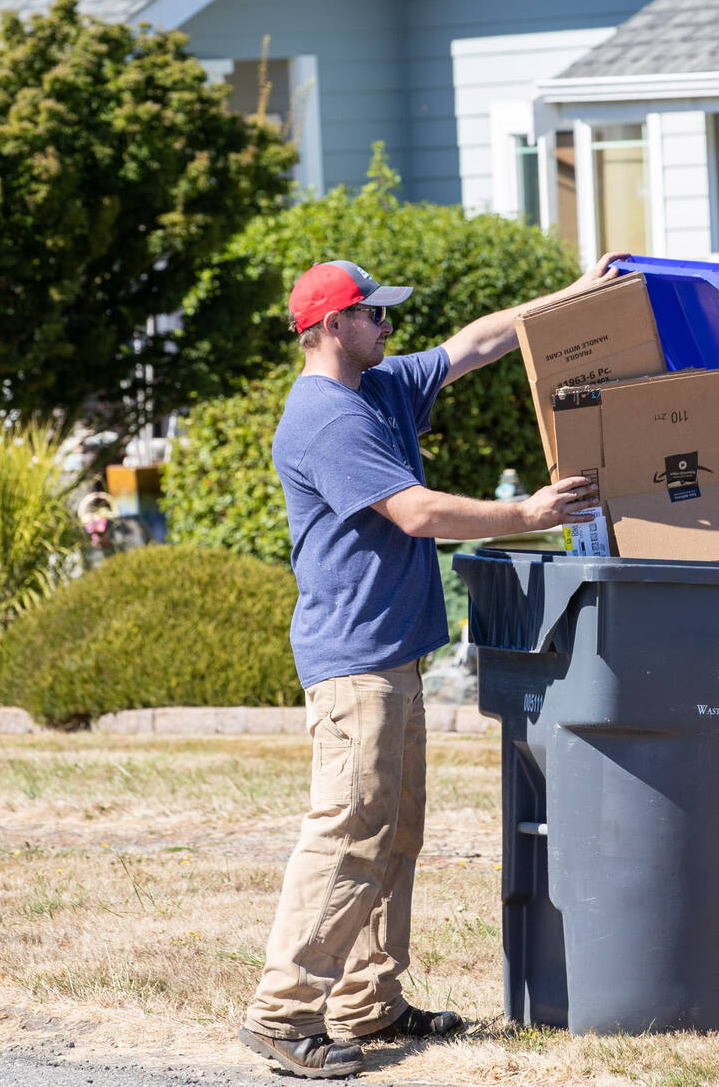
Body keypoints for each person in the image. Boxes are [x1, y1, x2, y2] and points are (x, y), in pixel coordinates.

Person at [237, 254, 619, 1079]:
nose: (388, 326)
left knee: (393, 834)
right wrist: (525, 513)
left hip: (394, 657)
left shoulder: (380, 388)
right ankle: (281, 1012)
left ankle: (368, 1003)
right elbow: (414, 513)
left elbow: (478, 342)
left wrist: (575, 296)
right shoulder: (326, 419)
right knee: (346, 835)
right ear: (332, 325)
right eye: (375, 314)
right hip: (355, 664)